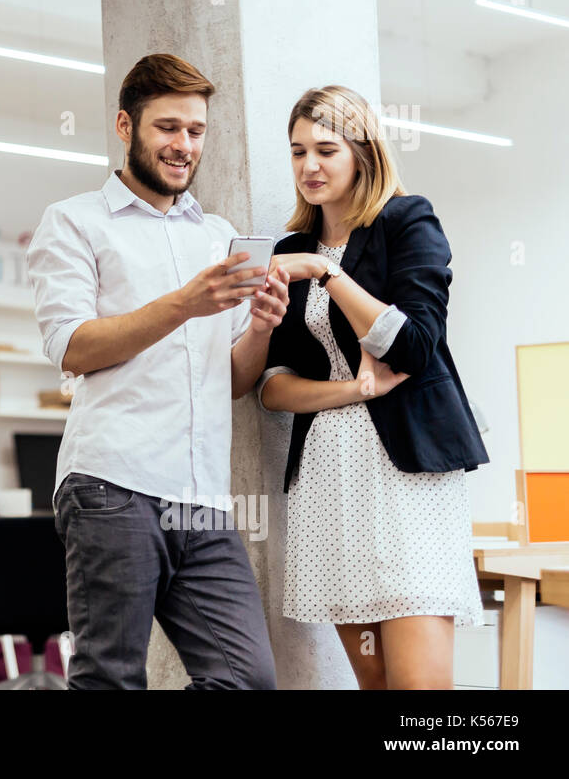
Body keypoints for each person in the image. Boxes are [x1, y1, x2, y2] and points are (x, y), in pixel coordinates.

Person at [26, 53, 290, 689]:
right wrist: (184, 305)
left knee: (246, 679)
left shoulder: (217, 235)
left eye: (195, 131)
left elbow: (229, 381)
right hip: (112, 485)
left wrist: (260, 327)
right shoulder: (74, 222)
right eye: (167, 127)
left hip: (200, 498)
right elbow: (72, 347)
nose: (183, 145)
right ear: (125, 126)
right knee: (112, 676)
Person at [260, 85, 488, 689]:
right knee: (376, 685)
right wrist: (354, 390)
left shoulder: (406, 221)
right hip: (330, 481)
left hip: (406, 477)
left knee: (419, 693)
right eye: (297, 151)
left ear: (362, 152)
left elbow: (415, 345)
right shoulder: (289, 252)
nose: (309, 166)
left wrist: (330, 274)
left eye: (327, 150)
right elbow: (274, 388)